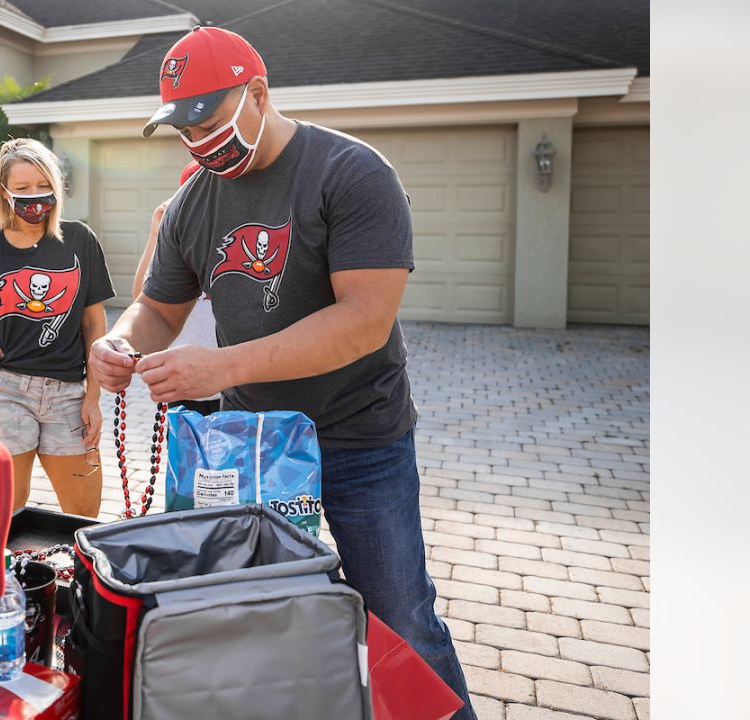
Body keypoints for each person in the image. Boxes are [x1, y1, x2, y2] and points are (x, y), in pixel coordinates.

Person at [89, 27, 476, 719]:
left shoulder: (351, 173)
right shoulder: (192, 204)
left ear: (258, 93)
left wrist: (220, 367)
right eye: (183, 129)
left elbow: (364, 321)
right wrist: (118, 342)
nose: (198, 143)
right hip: (255, 446)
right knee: (254, 612)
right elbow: (156, 308)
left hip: (363, 439)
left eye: (208, 122)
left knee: (399, 616)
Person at [0, 138, 115, 518]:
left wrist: (94, 397)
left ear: (56, 185)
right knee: (4, 517)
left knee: (83, 518)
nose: (34, 196)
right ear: (4, 193)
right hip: (4, 390)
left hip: (68, 394)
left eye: (42, 185)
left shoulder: (79, 240)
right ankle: (7, 580)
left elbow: (94, 322)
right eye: (22, 189)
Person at [130, 161, 220, 416]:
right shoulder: (176, 246)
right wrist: (155, 235)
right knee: (186, 452)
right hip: (183, 379)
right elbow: (141, 296)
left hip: (230, 383)